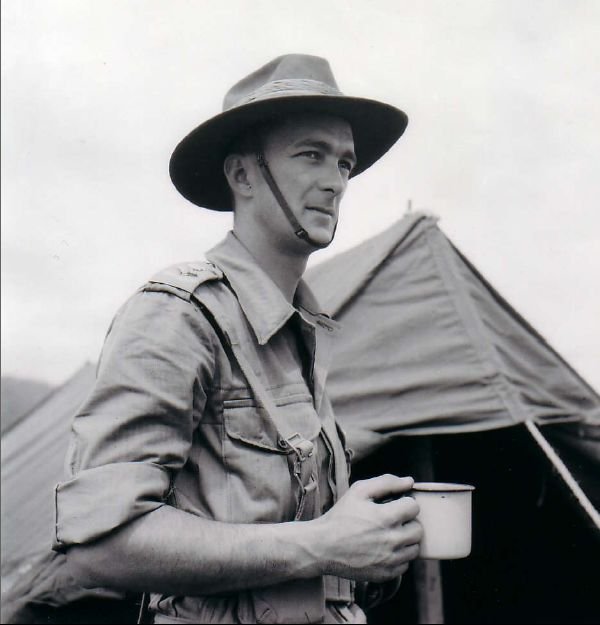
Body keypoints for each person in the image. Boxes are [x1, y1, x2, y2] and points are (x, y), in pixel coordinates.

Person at [53, 54, 423, 624]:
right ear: (243, 175)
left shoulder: (303, 332)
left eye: (345, 163)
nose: (335, 181)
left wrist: (369, 550)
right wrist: (324, 544)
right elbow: (100, 543)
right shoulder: (178, 317)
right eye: (311, 155)